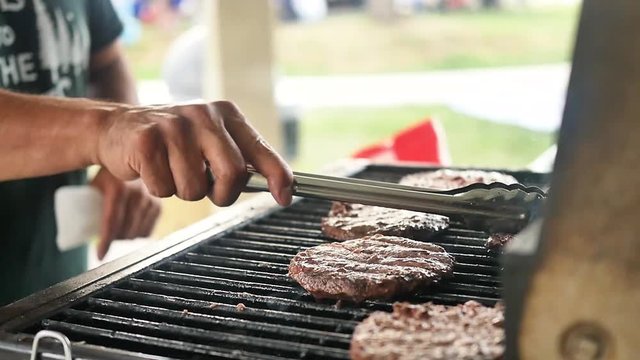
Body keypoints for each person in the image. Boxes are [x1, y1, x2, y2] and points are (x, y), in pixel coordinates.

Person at [0, 0, 293, 306]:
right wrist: (105, 130)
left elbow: (106, 62)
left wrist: (121, 159)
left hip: (53, 293)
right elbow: (105, 125)